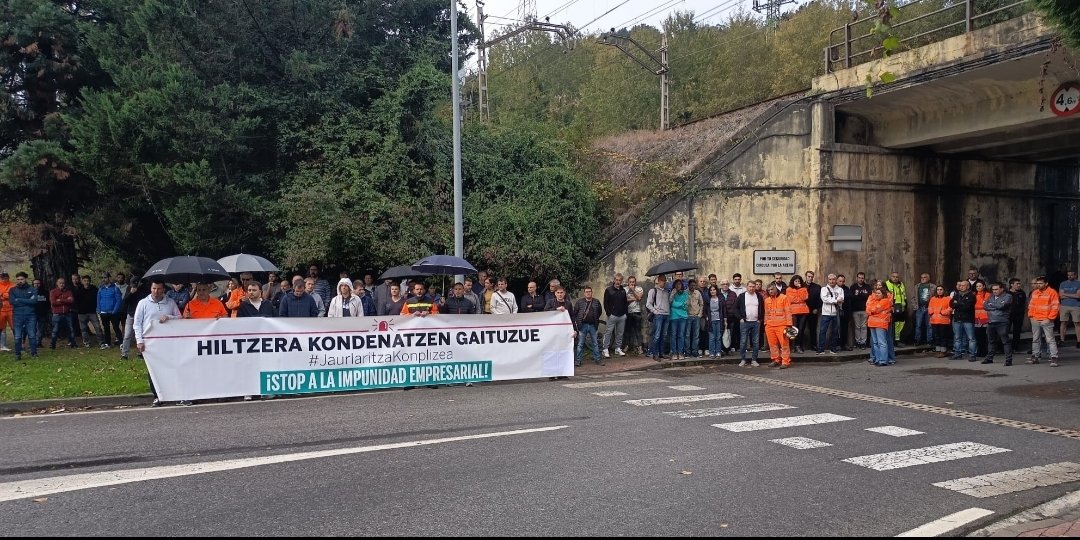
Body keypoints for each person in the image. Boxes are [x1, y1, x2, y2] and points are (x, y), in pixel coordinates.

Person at [134, 279, 182, 406]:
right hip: (150, 343)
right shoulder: (143, 303)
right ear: (151, 288)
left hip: (168, 342)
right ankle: (157, 396)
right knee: (153, 370)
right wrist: (139, 341)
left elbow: (179, 318)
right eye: (154, 288)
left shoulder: (170, 303)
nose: (156, 291)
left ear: (163, 290)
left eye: (159, 289)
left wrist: (169, 317)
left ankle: (174, 394)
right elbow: (137, 323)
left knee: (171, 367)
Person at [1026, 276, 1060, 366]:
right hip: (1035, 319)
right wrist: (1031, 316)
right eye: (1037, 283)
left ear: (1046, 284)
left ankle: (1054, 358)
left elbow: (1055, 306)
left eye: (1041, 283)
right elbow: (1031, 305)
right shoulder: (1035, 292)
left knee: (1050, 339)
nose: (1038, 285)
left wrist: (1049, 318)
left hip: (1046, 319)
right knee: (1035, 339)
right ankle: (1035, 357)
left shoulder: (1052, 292)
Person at [8, 272, 40, 360]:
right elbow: (12, 302)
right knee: (18, 336)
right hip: (17, 316)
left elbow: (34, 302)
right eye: (18, 279)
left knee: (32, 335)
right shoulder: (12, 290)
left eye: (21, 279)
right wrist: (27, 300)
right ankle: (18, 354)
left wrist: (19, 299)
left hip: (30, 316)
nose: (19, 281)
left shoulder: (32, 289)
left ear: (25, 279)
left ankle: (34, 353)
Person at [982, 282, 1013, 365]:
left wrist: (992, 305)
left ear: (1002, 289)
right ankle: (989, 358)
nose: (994, 291)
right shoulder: (991, 296)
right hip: (991, 322)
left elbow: (1002, 307)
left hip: (1002, 322)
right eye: (993, 289)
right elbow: (985, 306)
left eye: (996, 289)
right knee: (991, 341)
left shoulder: (1008, 296)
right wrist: (996, 306)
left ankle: (1008, 360)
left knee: (1005, 341)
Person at [763, 284, 793, 368]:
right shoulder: (766, 300)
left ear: (776, 289)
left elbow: (788, 311)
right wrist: (765, 324)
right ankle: (776, 360)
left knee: (784, 345)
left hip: (782, 325)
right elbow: (766, 313)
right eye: (769, 290)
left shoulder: (784, 298)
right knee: (772, 345)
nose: (770, 291)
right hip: (770, 326)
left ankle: (785, 361)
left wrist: (789, 324)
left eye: (772, 289)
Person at [573, 286, 603, 366]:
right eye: (586, 291)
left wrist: (595, 319)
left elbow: (599, 311)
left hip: (593, 325)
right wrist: (578, 322)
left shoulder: (596, 302)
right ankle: (578, 360)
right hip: (582, 325)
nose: (588, 293)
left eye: (589, 291)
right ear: (584, 293)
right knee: (580, 344)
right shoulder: (579, 302)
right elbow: (575, 313)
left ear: (592, 292)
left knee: (595, 343)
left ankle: (597, 359)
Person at [736, 281, 764, 367]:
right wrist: (740, 318)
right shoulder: (742, 296)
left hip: (756, 322)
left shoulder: (759, 296)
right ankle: (743, 359)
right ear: (747, 287)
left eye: (753, 286)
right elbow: (736, 308)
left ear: (755, 287)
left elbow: (762, 308)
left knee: (756, 342)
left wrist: (760, 319)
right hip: (745, 322)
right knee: (743, 342)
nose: (751, 288)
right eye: (750, 286)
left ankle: (754, 360)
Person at [816, 274, 844, 355]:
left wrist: (833, 300)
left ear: (836, 280)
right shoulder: (824, 289)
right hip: (825, 313)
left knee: (835, 332)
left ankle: (833, 349)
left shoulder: (840, 290)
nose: (832, 281)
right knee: (822, 331)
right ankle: (821, 349)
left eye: (833, 279)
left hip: (835, 313)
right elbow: (824, 299)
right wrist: (835, 300)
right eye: (830, 279)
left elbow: (841, 299)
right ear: (827, 280)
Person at [950, 281, 977, 362]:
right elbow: (951, 304)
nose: (961, 287)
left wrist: (957, 304)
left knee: (971, 338)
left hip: (968, 319)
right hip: (957, 319)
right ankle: (958, 354)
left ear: (968, 286)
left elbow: (967, 307)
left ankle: (972, 355)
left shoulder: (971, 296)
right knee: (957, 338)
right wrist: (961, 303)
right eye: (960, 285)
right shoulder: (956, 295)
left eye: (963, 285)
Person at [74, 275, 104, 348]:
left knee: (97, 327)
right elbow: (75, 300)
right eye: (85, 281)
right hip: (82, 313)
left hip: (92, 312)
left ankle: (101, 342)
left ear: (90, 281)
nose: (86, 282)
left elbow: (99, 298)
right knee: (83, 329)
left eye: (88, 281)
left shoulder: (94, 289)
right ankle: (87, 342)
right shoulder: (78, 289)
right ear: (82, 281)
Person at [602, 273, 628, 357]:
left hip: (622, 315)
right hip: (612, 315)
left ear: (621, 281)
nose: (618, 282)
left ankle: (617, 348)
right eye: (616, 280)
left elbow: (625, 303)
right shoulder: (609, 290)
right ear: (614, 280)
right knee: (608, 332)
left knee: (620, 333)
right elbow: (605, 303)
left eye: (620, 280)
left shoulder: (623, 290)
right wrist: (609, 313)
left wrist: (625, 314)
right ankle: (605, 349)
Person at [49, 277, 78, 349]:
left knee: (70, 329)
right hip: (57, 314)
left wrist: (60, 300)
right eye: (60, 283)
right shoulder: (53, 292)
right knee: (55, 330)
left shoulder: (68, 292)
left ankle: (73, 344)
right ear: (57, 283)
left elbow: (71, 301)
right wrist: (65, 300)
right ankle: (53, 344)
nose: (62, 284)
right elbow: (53, 302)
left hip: (67, 313)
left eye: (63, 283)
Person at [867, 288, 894, 366]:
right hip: (872, 323)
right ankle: (878, 359)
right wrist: (873, 311)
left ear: (883, 294)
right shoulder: (874, 301)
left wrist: (873, 311)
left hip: (880, 324)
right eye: (876, 293)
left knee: (881, 342)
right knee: (875, 343)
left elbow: (876, 309)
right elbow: (868, 309)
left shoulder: (885, 301)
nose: (877, 294)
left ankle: (883, 360)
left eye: (879, 293)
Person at [645, 277, 670, 361]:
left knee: (664, 335)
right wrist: (655, 311)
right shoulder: (653, 291)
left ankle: (661, 353)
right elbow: (648, 304)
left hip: (666, 315)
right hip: (658, 315)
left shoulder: (667, 291)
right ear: (658, 281)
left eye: (664, 281)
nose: (664, 282)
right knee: (657, 335)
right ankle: (655, 354)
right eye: (662, 281)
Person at [97, 272, 123, 347]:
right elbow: (98, 300)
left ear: (109, 278)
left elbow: (119, 300)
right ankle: (107, 343)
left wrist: (114, 311)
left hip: (113, 312)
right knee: (106, 328)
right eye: (102, 278)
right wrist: (99, 310)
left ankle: (121, 342)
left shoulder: (115, 288)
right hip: (103, 312)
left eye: (105, 277)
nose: (103, 279)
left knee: (116, 327)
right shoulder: (100, 289)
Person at [928, 286, 953, 358]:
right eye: (938, 290)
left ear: (944, 290)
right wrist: (931, 313)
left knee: (943, 336)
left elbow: (950, 308)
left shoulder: (948, 298)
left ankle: (943, 351)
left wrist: (943, 312)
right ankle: (938, 350)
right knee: (936, 336)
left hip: (944, 321)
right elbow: (930, 307)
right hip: (934, 320)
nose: (939, 291)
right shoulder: (933, 298)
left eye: (941, 289)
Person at [787, 275, 809, 353]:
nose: (797, 283)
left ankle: (798, 346)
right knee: (793, 329)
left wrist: (799, 290)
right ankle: (791, 346)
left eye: (799, 281)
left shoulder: (803, 289)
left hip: (803, 311)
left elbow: (805, 297)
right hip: (793, 312)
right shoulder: (789, 289)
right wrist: (800, 299)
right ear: (793, 282)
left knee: (801, 329)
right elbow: (791, 299)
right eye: (796, 281)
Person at [1057, 270, 1080, 347]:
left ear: (1075, 275)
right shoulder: (1063, 284)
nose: (1070, 276)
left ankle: (1078, 341)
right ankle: (1062, 340)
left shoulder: (1078, 283)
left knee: (1077, 323)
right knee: (1063, 323)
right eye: (1068, 275)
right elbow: (1061, 296)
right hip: (1064, 306)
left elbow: (1078, 296)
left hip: (1076, 306)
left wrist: (1065, 294)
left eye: (1071, 275)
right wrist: (1073, 295)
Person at [849, 272, 872, 349]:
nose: (861, 279)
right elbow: (852, 297)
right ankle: (858, 342)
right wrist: (862, 296)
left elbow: (869, 297)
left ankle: (863, 342)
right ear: (857, 278)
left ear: (864, 278)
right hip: (855, 310)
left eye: (862, 278)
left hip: (865, 310)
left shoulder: (868, 287)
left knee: (864, 326)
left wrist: (858, 296)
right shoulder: (853, 287)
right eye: (859, 278)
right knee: (857, 327)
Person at [668, 280, 689, 361]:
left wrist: (676, 304)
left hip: (683, 317)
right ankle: (674, 352)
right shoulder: (672, 293)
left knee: (681, 335)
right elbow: (670, 303)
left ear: (682, 285)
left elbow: (686, 305)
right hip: (674, 316)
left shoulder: (685, 294)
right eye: (676, 284)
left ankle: (680, 352)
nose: (678, 286)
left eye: (679, 284)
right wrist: (673, 295)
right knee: (673, 335)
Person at [884, 272, 907, 346]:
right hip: (892, 308)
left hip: (901, 307)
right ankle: (893, 341)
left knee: (900, 324)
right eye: (893, 276)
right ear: (891, 277)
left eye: (897, 277)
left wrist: (905, 305)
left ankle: (898, 340)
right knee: (892, 325)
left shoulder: (901, 284)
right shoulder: (886, 284)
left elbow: (904, 295)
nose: (895, 278)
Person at [913, 273, 936, 346]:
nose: (922, 278)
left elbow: (935, 297)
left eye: (925, 277)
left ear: (928, 278)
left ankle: (929, 341)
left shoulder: (933, 287)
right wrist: (915, 306)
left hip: (929, 308)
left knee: (929, 325)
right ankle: (917, 340)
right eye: (921, 277)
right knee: (918, 325)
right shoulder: (917, 286)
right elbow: (913, 297)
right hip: (920, 308)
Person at [625, 276, 645, 355]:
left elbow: (639, 298)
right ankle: (626, 346)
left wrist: (633, 291)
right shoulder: (625, 289)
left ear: (635, 282)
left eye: (633, 282)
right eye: (630, 282)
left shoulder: (639, 289)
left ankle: (640, 347)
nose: (632, 283)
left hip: (637, 312)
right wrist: (634, 298)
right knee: (627, 331)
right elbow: (624, 300)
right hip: (628, 312)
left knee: (638, 331)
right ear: (628, 282)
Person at [1008, 278, 1028, 353]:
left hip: (1019, 315)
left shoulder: (1021, 293)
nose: (1019, 285)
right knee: (1005, 331)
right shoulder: (1007, 293)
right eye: (1017, 284)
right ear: (1011, 285)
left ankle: (1015, 347)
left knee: (1017, 331)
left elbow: (1023, 303)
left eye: (1019, 284)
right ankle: (1004, 347)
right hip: (1009, 315)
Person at [0, 271, 13, 352]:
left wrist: (2, 295)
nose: (4, 280)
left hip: (11, 309)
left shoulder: (13, 285)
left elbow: (12, 295)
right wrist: (5, 295)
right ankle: (2, 345)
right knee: (2, 328)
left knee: (14, 327)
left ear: (8, 278)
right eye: (2, 278)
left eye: (5, 278)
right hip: (1, 310)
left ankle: (19, 345)